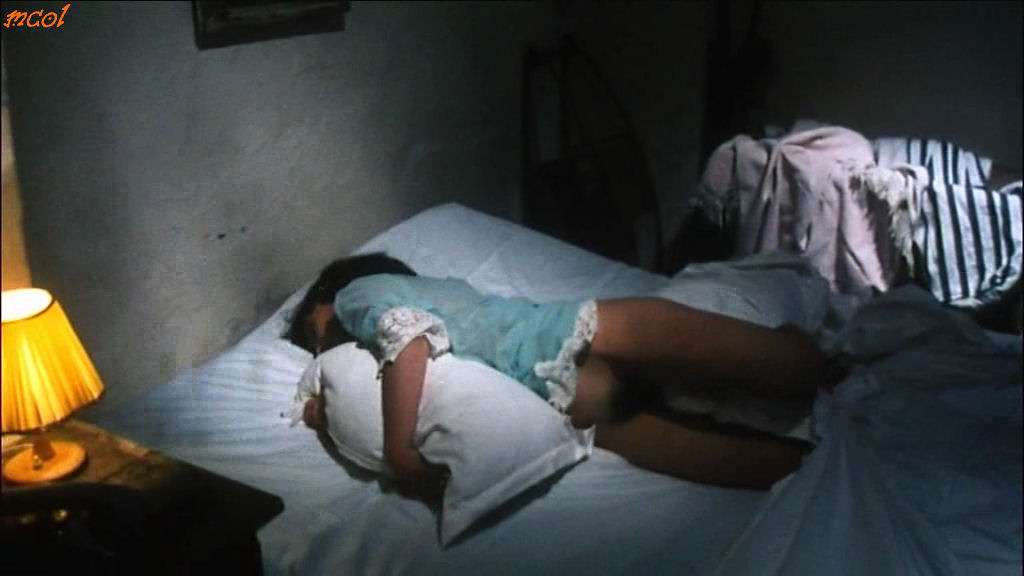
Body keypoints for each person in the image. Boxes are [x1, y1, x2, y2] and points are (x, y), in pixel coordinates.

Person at [287, 253, 827, 497]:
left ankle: (827, 443)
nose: (322, 345)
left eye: (315, 329)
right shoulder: (373, 305)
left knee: (774, 459)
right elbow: (405, 344)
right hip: (571, 341)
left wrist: (385, 444)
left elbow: (405, 337)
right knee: (795, 379)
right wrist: (391, 447)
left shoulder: (359, 294)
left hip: (562, 385)